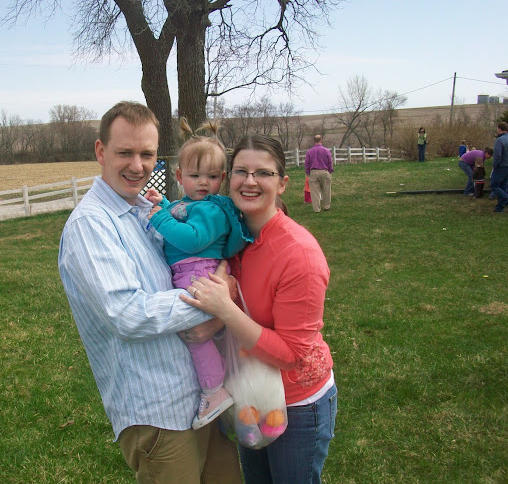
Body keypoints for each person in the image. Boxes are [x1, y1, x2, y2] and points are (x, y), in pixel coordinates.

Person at [57, 102, 242, 484]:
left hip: (203, 395)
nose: (137, 165)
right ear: (100, 152)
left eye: (147, 153)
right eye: (125, 152)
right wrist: (217, 300)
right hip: (158, 411)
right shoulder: (91, 225)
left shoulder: (148, 209)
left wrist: (218, 312)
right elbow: (127, 313)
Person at [180, 135, 337, 484]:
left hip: (297, 404)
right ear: (228, 178)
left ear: (282, 184)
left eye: (263, 173)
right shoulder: (231, 235)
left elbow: (291, 354)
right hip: (248, 392)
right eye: (241, 171)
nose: (250, 181)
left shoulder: (300, 255)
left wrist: (224, 311)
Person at [144, 118, 252, 430]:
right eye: (194, 175)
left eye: (212, 176)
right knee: (198, 335)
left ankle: (214, 391)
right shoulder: (190, 203)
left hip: (199, 274)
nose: (203, 182)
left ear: (222, 177)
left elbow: (191, 238)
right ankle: (216, 386)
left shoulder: (213, 210)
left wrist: (159, 219)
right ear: (179, 176)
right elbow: (180, 213)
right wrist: (164, 204)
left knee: (196, 338)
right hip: (193, 272)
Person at [490, 121, 508, 213]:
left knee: (494, 185)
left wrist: (495, 165)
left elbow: (497, 156)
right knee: (503, 187)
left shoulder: (500, 140)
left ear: (500, 129)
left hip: (502, 166)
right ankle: (499, 208)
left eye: (497, 128)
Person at [304, 134, 334, 212]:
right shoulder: (326, 150)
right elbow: (330, 162)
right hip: (324, 171)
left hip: (313, 172)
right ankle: (326, 206)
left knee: (315, 192)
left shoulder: (309, 152)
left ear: (314, 141)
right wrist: (330, 171)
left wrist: (308, 172)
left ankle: (316, 209)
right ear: (321, 140)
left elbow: (307, 163)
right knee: (326, 190)